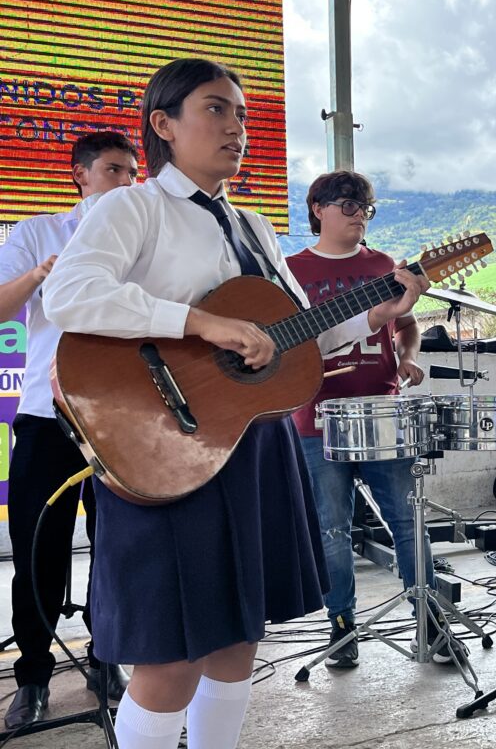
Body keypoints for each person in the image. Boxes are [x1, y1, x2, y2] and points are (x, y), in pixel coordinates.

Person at [42, 58, 427, 749]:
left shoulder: (254, 225)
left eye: (242, 114)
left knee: (238, 640)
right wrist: (200, 324)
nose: (237, 127)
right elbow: (70, 294)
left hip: (249, 443)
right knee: (170, 658)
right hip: (166, 447)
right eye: (216, 110)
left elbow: (299, 333)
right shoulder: (131, 207)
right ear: (164, 124)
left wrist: (379, 313)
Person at [287, 169, 466, 667]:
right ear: (318, 208)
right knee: (331, 529)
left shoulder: (384, 266)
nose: (359, 215)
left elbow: (405, 325)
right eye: (348, 205)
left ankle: (430, 621)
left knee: (409, 521)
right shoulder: (293, 270)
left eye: (366, 206)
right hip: (315, 417)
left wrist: (409, 356)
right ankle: (341, 624)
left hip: (382, 409)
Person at [0, 130, 138, 730]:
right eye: (114, 170)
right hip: (44, 416)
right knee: (39, 550)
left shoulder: (141, 237)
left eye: (133, 173)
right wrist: (39, 274)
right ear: (80, 174)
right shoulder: (36, 231)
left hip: (124, 417)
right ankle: (32, 674)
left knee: (119, 545)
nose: (127, 181)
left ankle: (107, 655)